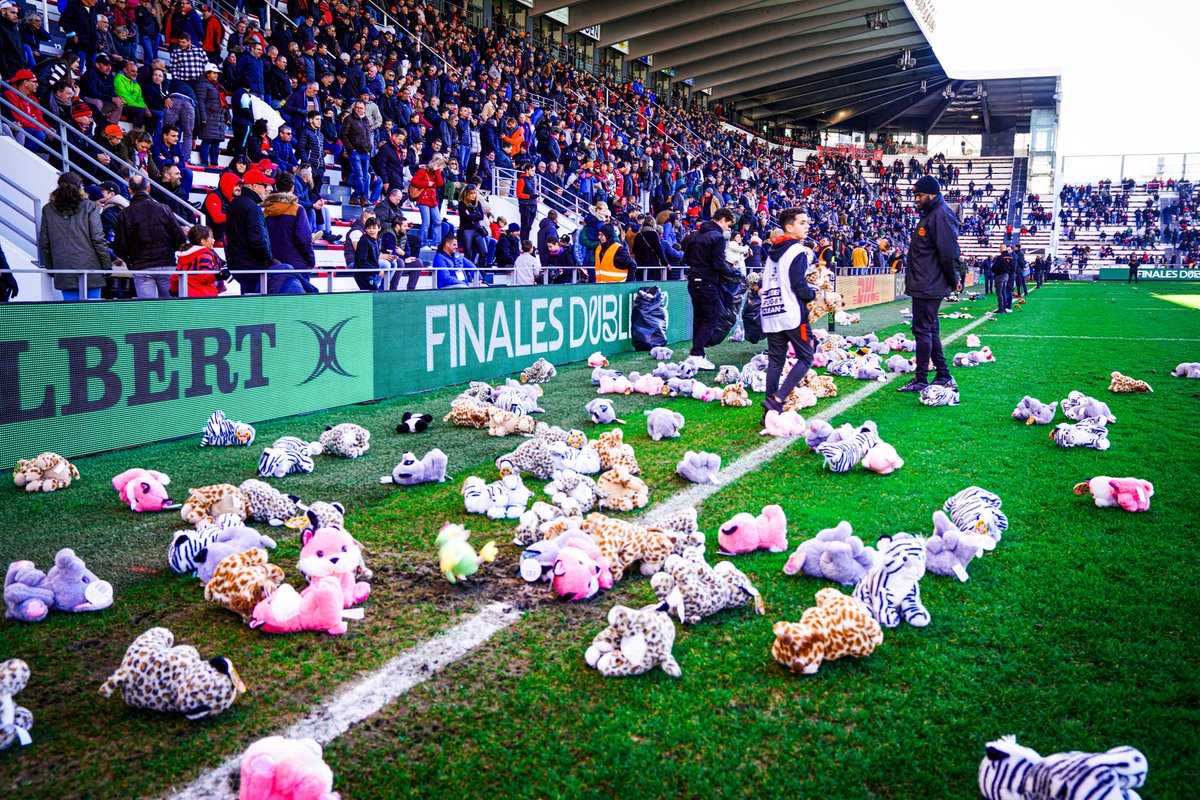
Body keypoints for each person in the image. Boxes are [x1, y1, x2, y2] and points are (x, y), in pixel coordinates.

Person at [897, 175, 961, 393]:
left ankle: (922, 379)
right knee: (930, 330)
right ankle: (943, 374)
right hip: (926, 282)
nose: (916, 199)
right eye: (915, 195)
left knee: (922, 329)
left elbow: (949, 253)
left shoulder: (941, 215)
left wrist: (954, 280)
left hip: (929, 284)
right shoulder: (932, 214)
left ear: (932, 194)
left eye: (920, 195)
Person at [758, 208, 817, 415]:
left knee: (776, 361)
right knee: (806, 356)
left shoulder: (772, 253)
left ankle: (770, 412)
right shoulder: (797, 251)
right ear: (789, 227)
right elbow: (799, 284)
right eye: (802, 222)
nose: (807, 226)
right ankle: (778, 398)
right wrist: (812, 295)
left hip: (771, 311)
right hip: (792, 312)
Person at [37, 172, 111, 300]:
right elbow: (98, 238)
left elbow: (44, 242)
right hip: (90, 267)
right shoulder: (90, 206)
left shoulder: (48, 209)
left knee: (72, 313)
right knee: (93, 311)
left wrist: (52, 268)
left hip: (63, 267)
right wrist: (106, 266)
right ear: (80, 187)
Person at [112, 173, 185, 298]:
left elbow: (119, 246)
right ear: (149, 188)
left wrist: (131, 263)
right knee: (170, 308)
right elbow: (180, 238)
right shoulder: (164, 209)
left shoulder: (124, 214)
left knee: (148, 310)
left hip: (141, 266)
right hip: (166, 264)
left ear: (130, 190)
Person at [682, 207, 738, 370]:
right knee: (711, 318)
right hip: (707, 281)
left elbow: (684, 257)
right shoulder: (717, 237)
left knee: (699, 318)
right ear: (722, 219)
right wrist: (732, 272)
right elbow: (718, 263)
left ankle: (696, 353)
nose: (728, 229)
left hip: (693, 279)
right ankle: (697, 354)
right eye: (728, 225)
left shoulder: (694, 235)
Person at [224, 167, 274, 293]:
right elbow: (257, 239)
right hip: (252, 266)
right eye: (264, 185)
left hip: (237, 264)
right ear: (254, 186)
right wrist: (268, 258)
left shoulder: (234, 204)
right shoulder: (252, 208)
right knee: (255, 305)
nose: (267, 189)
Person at [262, 171, 316, 281]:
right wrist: (311, 260)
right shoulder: (298, 209)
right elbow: (304, 239)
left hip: (273, 266)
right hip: (296, 267)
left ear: (275, 186)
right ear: (292, 187)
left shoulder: (264, 212)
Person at [172, 223, 227, 297]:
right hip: (205, 296)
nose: (213, 240)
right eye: (211, 237)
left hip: (186, 295)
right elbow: (204, 276)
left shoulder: (183, 255)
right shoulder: (205, 255)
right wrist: (219, 275)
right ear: (203, 241)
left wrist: (173, 290)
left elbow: (175, 276)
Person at [409, 157, 445, 248]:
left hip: (433, 200)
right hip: (423, 199)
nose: (441, 170)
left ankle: (436, 243)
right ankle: (422, 243)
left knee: (437, 221)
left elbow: (440, 183)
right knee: (426, 223)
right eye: (440, 168)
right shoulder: (422, 171)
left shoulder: (435, 174)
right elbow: (414, 181)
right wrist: (426, 183)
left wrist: (437, 172)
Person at [352, 216, 384, 290]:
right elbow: (361, 261)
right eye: (369, 228)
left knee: (371, 294)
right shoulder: (364, 241)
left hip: (371, 273)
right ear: (365, 229)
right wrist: (378, 271)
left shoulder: (378, 241)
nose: (371, 230)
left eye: (374, 228)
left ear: (379, 228)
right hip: (362, 273)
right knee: (373, 293)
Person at [516, 161, 538, 243]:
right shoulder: (522, 180)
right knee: (525, 226)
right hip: (525, 205)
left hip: (532, 204)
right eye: (532, 170)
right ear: (527, 170)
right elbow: (518, 193)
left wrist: (535, 200)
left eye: (534, 170)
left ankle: (526, 242)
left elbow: (534, 190)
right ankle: (523, 243)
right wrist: (529, 196)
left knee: (529, 226)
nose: (534, 172)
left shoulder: (533, 179)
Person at [993, 245, 1014, 313]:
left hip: (1000, 276)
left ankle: (1001, 308)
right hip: (1006, 276)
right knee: (1004, 292)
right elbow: (1013, 268)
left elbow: (994, 267)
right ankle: (1004, 307)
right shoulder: (1011, 257)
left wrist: (995, 271)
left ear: (1001, 249)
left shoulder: (1000, 257)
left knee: (999, 293)